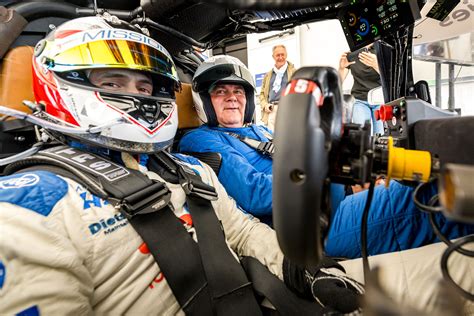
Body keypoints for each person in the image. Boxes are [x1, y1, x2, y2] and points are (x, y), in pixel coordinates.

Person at [0, 16, 364, 315]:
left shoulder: (188, 167)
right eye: (112, 81)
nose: (135, 96)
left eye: (145, 89)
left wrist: (300, 270)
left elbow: (242, 232)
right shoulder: (28, 206)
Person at [178, 55, 474, 258]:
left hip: (330, 203)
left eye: (238, 91)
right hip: (304, 224)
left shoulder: (260, 131)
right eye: (221, 91)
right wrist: (340, 179)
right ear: (204, 101)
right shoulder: (201, 139)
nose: (232, 97)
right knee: (435, 196)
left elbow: (305, 160)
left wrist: (351, 175)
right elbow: (253, 192)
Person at [338, 44, 384, 135]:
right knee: (361, 135)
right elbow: (338, 82)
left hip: (379, 100)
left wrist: (377, 65)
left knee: (380, 136)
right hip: (359, 100)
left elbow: (390, 80)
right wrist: (341, 67)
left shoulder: (381, 51)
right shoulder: (352, 54)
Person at [258, 44, 296, 131]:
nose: (280, 57)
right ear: (273, 56)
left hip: (287, 108)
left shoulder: (294, 72)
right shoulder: (268, 75)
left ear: (286, 55)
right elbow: (262, 94)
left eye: (283, 54)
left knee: (287, 136)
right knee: (272, 138)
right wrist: (265, 105)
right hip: (271, 110)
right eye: (278, 55)